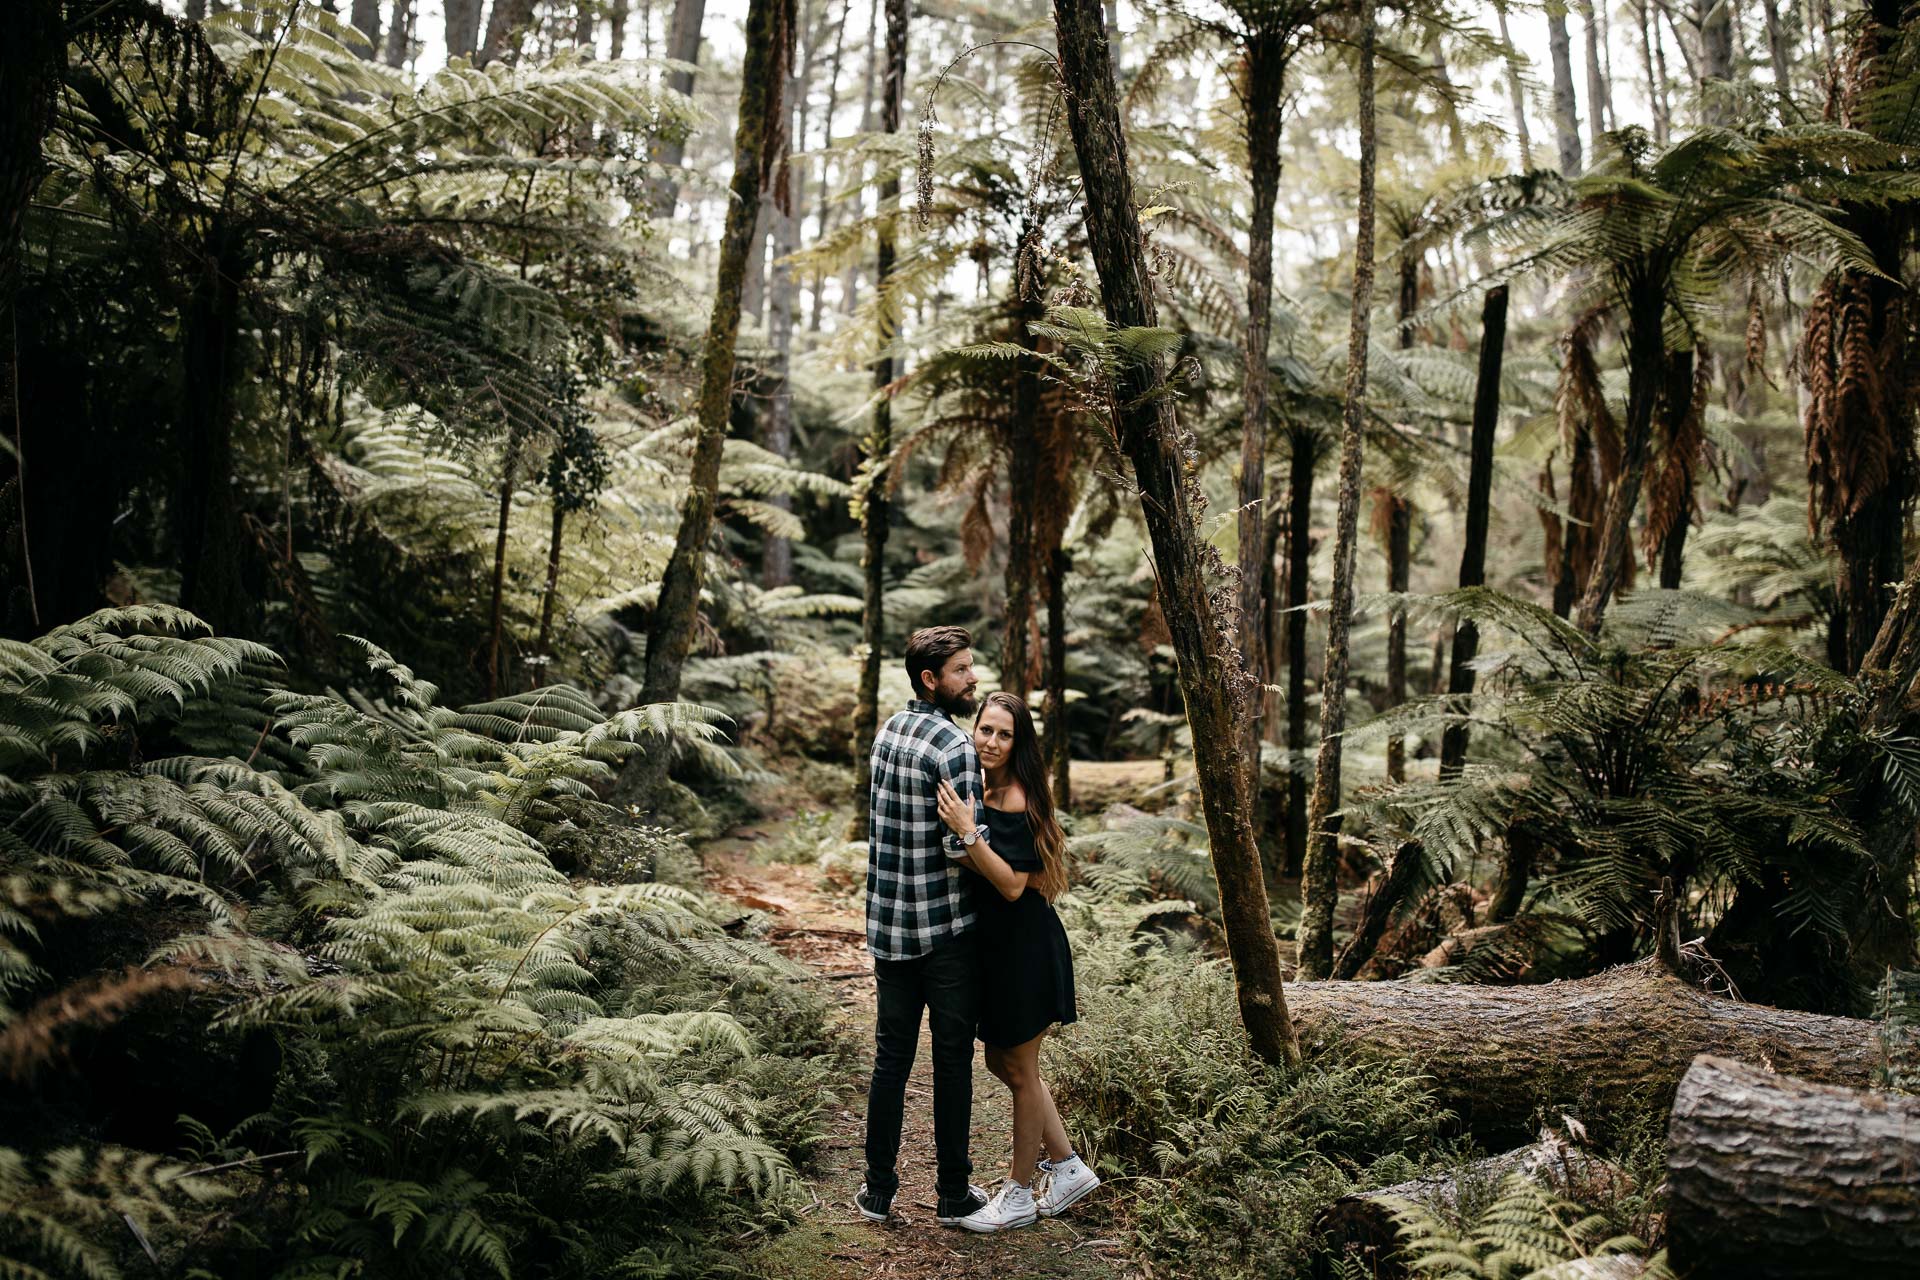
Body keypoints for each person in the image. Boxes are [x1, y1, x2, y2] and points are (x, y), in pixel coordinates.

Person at [934, 690, 1100, 1233]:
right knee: (1001, 1064)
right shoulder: (984, 789)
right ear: (972, 729)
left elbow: (1010, 885)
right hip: (999, 952)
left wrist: (965, 834)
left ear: (1018, 741)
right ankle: (1069, 1165)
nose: (992, 742)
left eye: (1005, 734)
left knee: (1022, 1071)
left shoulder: (1018, 797)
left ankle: (1020, 1193)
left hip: (1027, 950)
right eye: (986, 730)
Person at [856, 625, 991, 1227]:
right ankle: (953, 1196)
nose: (973, 679)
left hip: (888, 926)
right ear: (930, 679)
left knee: (891, 1059)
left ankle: (877, 1192)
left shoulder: (888, 731)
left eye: (971, 667)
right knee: (952, 1060)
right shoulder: (955, 749)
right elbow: (961, 849)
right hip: (944, 931)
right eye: (962, 670)